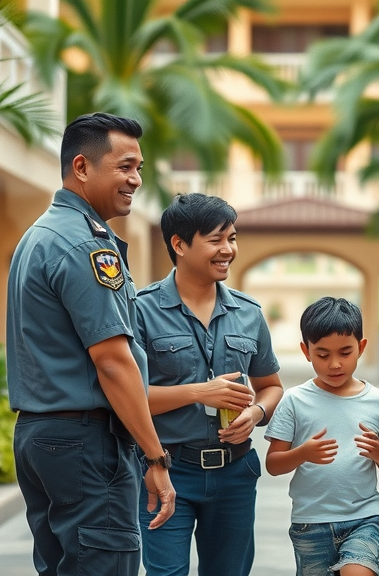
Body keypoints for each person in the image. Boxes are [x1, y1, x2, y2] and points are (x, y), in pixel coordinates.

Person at [6, 112, 175, 576]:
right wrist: (156, 457)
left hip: (41, 437)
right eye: (125, 167)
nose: (136, 180)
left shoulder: (38, 236)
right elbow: (114, 362)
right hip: (83, 441)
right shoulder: (84, 245)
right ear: (82, 167)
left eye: (139, 168)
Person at [133, 192, 283, 576]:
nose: (228, 250)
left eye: (232, 238)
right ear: (179, 244)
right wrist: (200, 392)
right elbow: (126, 398)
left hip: (235, 474)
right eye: (216, 240)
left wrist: (256, 412)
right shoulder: (141, 310)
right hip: (166, 470)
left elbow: (272, 386)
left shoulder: (249, 313)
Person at [265, 297, 379, 576]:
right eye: (322, 354)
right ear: (306, 351)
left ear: (361, 347)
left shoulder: (378, 400)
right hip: (311, 523)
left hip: (364, 517)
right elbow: (273, 464)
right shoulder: (294, 400)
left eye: (345, 352)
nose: (334, 364)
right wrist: (302, 453)